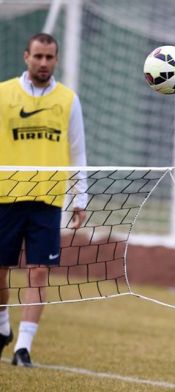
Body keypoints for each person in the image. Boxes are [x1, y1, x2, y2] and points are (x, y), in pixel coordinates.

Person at [0, 33, 87, 367]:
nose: (43, 63)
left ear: (56, 59)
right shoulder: (5, 93)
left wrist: (80, 198)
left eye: (50, 57)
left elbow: (78, 154)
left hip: (48, 200)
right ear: (26, 57)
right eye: (38, 56)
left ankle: (23, 347)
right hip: (6, 198)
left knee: (38, 273)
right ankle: (3, 327)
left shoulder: (68, 100)